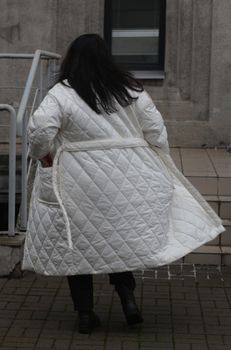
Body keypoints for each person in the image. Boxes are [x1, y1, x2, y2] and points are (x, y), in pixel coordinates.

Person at [22, 34, 224, 334]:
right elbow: (156, 129)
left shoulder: (62, 93)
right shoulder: (129, 88)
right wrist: (160, 159)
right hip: (124, 177)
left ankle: (86, 315)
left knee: (77, 245)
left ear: (71, 59)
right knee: (115, 240)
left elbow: (39, 130)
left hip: (79, 180)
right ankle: (128, 300)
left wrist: (44, 155)